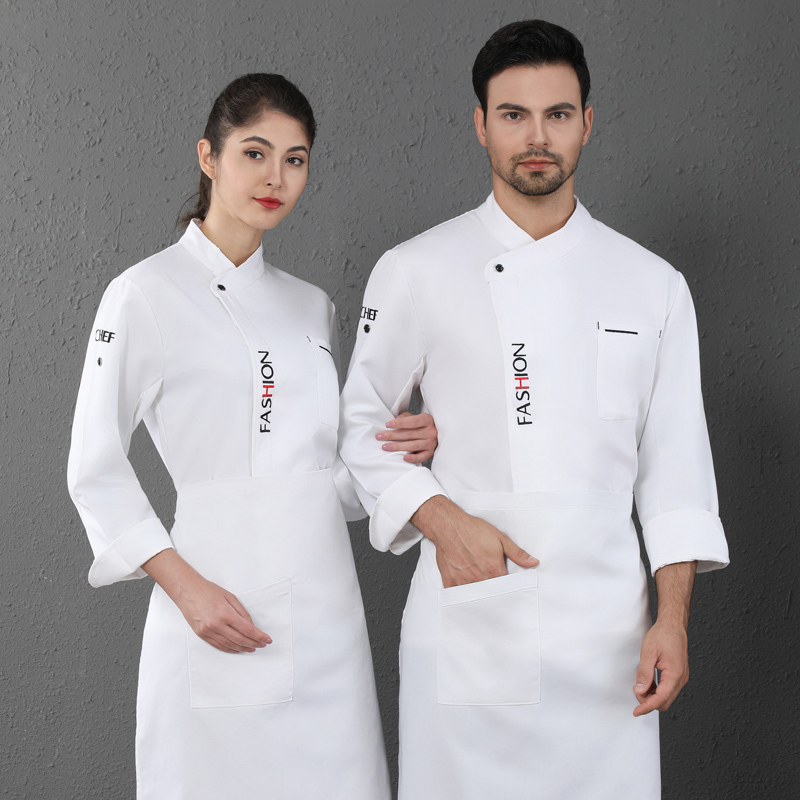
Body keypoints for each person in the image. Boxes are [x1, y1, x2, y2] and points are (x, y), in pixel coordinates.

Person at [339, 19, 730, 800]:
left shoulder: (652, 284)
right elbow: (358, 424)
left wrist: (673, 619)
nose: (537, 137)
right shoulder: (416, 269)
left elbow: (676, 468)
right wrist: (443, 522)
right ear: (481, 125)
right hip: (471, 617)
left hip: (608, 634)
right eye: (514, 114)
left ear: (587, 123)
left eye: (558, 114)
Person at [67, 73, 439, 800]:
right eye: (255, 153)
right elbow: (94, 465)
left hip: (326, 608)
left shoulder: (311, 305)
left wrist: (402, 444)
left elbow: (325, 478)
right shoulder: (144, 293)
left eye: (295, 160)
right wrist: (187, 590)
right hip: (216, 597)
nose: (276, 177)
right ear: (209, 156)